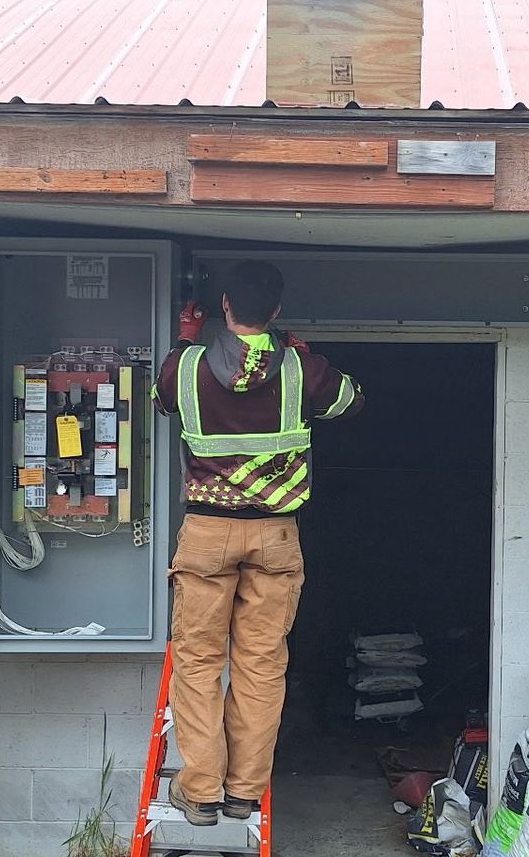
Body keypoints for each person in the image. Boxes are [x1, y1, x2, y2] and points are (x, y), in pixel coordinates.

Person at [151, 259, 364, 825]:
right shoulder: (300, 369)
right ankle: (245, 792)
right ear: (274, 313)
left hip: (207, 532)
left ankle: (199, 792)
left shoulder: (185, 367)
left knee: (198, 663)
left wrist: (184, 339)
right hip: (275, 536)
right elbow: (352, 402)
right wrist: (305, 354)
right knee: (261, 666)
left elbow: (162, 397)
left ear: (224, 307)